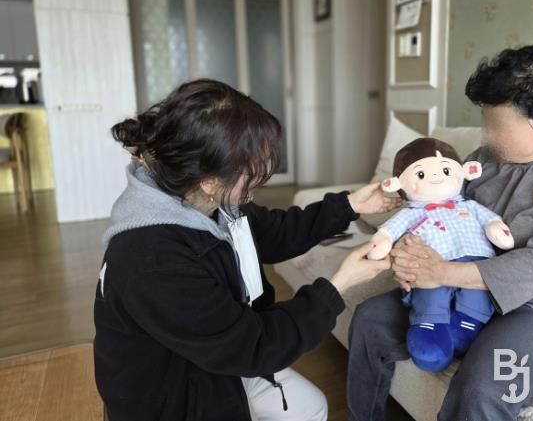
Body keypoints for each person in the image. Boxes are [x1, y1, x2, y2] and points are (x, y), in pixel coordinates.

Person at [93, 79, 399, 421]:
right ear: (210, 180)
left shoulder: (206, 199)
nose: (261, 175)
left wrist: (350, 205)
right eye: (251, 169)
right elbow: (254, 347)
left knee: (311, 407)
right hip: (170, 398)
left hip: (215, 353)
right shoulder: (153, 259)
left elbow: (275, 233)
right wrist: (340, 284)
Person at [347, 44, 533, 420]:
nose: (487, 135)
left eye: (498, 127)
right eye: (486, 122)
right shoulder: (480, 162)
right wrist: (410, 258)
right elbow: (439, 218)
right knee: (371, 319)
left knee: (482, 387)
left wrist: (440, 272)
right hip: (467, 290)